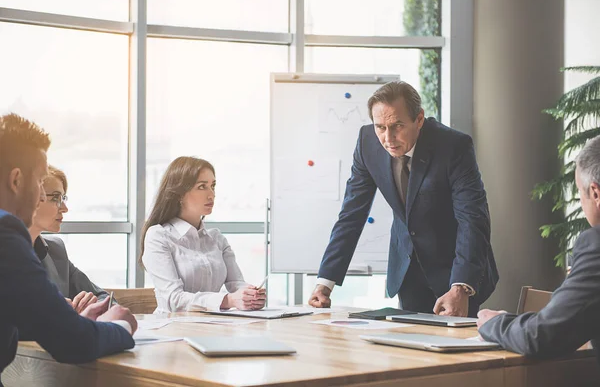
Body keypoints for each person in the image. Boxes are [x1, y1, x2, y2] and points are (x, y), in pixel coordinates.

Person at [309, 81, 499, 317]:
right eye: (380, 127)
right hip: (408, 271)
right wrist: (326, 282)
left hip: (455, 271)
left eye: (397, 125)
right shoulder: (368, 143)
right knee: (409, 347)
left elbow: (472, 219)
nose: (388, 137)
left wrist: (460, 287)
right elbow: (351, 214)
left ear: (419, 119)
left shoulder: (453, 147)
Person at [0, 113, 137, 385]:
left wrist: (68, 321)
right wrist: (122, 325)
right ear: (16, 180)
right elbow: (74, 344)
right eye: (40, 182)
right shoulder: (6, 236)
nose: (41, 195)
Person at [477, 135, 600, 364]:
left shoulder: (596, 245)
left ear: (595, 193)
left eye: (580, 193)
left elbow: (541, 336)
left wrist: (493, 323)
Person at [140, 156, 266, 313]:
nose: (211, 194)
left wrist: (250, 296)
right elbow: (174, 299)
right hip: (173, 329)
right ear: (179, 193)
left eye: (213, 186)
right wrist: (228, 300)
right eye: (202, 187)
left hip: (214, 327)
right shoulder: (158, 236)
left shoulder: (216, 239)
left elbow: (236, 283)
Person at [29, 165, 110, 313]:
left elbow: (104, 299)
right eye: (55, 198)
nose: (65, 208)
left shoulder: (56, 250)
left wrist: (90, 305)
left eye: (63, 198)